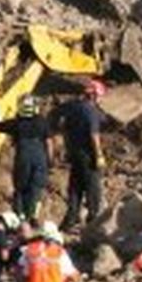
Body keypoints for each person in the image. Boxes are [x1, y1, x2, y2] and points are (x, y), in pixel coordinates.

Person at [55, 79, 107, 231]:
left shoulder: (73, 108)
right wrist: (99, 155)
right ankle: (93, 221)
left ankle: (70, 220)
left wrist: (68, 149)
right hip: (88, 155)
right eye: (99, 96)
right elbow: (94, 135)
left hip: (75, 154)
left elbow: (63, 128)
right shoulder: (90, 111)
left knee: (75, 188)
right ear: (94, 95)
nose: (99, 100)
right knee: (93, 188)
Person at [0, 95, 53, 222]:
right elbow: (49, 143)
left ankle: (19, 215)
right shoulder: (42, 122)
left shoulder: (17, 123)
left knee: (20, 188)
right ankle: (33, 216)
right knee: (36, 188)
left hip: (23, 156)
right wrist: (50, 160)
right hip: (39, 158)